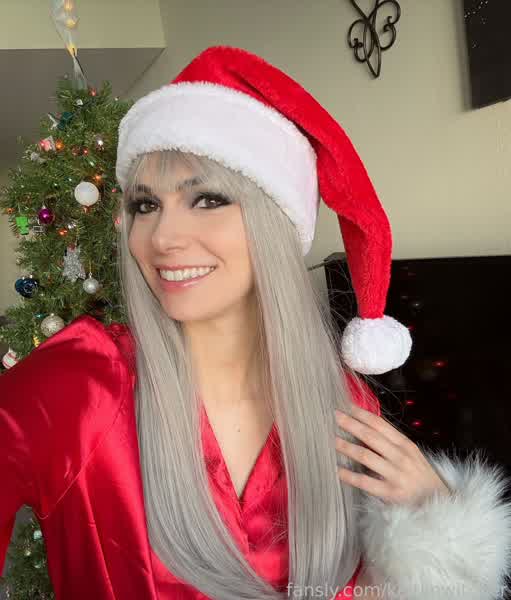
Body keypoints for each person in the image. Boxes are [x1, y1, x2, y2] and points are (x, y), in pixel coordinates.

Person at [1, 45, 511, 600]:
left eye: (206, 200)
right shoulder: (81, 384)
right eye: (146, 206)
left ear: (275, 222)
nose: (163, 237)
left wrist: (436, 530)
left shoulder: (343, 404)